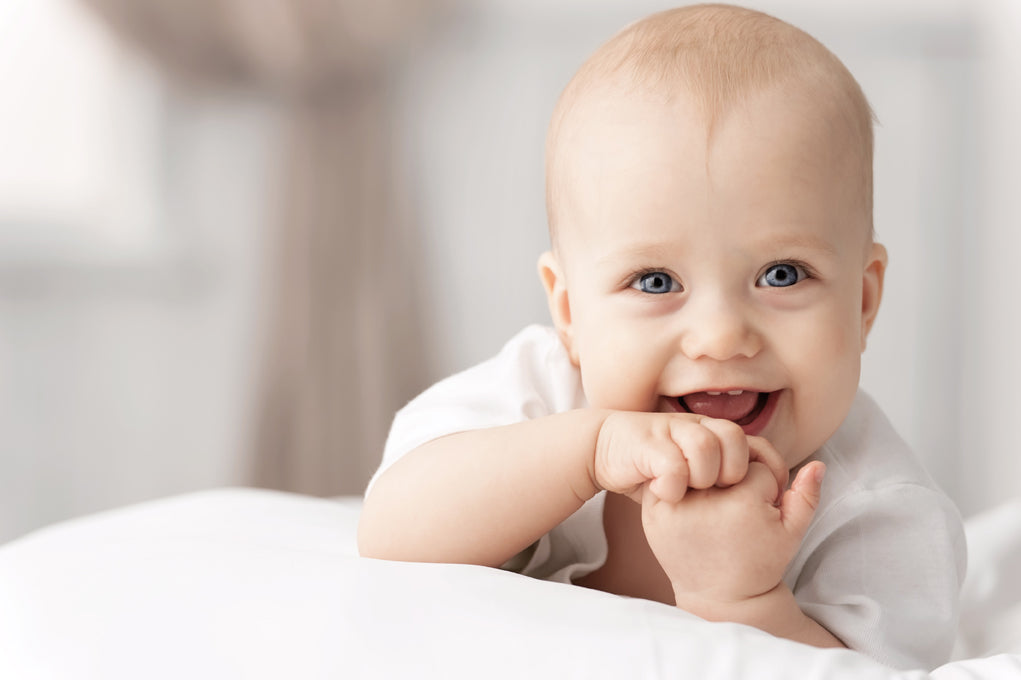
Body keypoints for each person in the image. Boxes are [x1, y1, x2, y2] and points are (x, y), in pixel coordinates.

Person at [358, 3, 965, 670]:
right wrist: (587, 451)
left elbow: (876, 669)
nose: (720, 337)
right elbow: (390, 531)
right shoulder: (542, 392)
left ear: (862, 301)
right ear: (568, 312)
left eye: (781, 274)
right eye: (653, 282)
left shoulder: (874, 513)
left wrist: (741, 599)